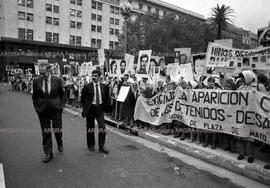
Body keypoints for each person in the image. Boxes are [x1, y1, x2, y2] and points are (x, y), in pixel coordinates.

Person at [32, 62, 65, 163]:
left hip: (56, 110)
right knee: (46, 132)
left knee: (58, 130)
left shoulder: (58, 80)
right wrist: (37, 108)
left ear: (49, 71)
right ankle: (48, 153)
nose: (41, 75)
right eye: (40, 73)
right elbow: (34, 96)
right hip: (43, 111)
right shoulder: (36, 81)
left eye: (43, 73)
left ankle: (59, 142)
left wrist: (61, 107)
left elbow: (63, 95)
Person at [81, 69, 112, 153]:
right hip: (91, 109)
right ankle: (91, 145)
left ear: (99, 77)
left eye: (95, 76)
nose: (93, 77)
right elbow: (82, 99)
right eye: (93, 76)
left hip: (100, 109)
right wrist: (86, 107)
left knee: (102, 127)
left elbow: (106, 97)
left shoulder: (104, 86)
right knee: (90, 128)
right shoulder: (87, 87)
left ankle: (102, 146)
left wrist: (106, 107)